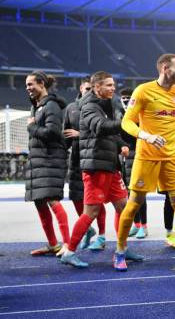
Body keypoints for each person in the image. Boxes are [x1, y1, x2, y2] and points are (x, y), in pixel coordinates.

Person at [116, 54, 175, 271]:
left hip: (171, 157)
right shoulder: (143, 91)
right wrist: (146, 136)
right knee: (133, 205)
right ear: (164, 68)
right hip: (146, 156)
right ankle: (120, 251)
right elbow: (126, 121)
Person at [59, 71, 133, 268]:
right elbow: (100, 127)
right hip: (96, 167)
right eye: (109, 85)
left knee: (123, 206)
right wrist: (126, 123)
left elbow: (108, 133)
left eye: (113, 84)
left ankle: (122, 247)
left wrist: (121, 144)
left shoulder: (104, 105)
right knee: (90, 211)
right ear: (97, 87)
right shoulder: (90, 106)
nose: (113, 88)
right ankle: (70, 251)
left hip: (109, 165)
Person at [24, 71, 70, 257]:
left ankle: (68, 244)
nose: (28, 88)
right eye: (26, 85)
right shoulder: (37, 106)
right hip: (39, 161)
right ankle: (53, 244)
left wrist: (31, 127)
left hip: (50, 159)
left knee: (52, 200)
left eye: (30, 84)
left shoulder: (51, 105)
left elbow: (52, 132)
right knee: (40, 202)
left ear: (42, 84)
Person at [64, 77, 107, 250]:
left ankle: (102, 236)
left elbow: (99, 131)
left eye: (92, 88)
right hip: (75, 158)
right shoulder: (71, 108)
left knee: (97, 200)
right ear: (81, 88)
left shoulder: (99, 106)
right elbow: (65, 133)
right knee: (76, 197)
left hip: (93, 158)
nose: (89, 91)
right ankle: (88, 229)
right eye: (87, 88)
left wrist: (79, 134)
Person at [118, 87, 149, 241]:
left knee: (139, 193)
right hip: (124, 158)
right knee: (130, 194)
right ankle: (136, 225)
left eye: (128, 97)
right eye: (123, 97)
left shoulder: (139, 113)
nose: (125, 100)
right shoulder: (120, 113)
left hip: (138, 154)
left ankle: (144, 226)